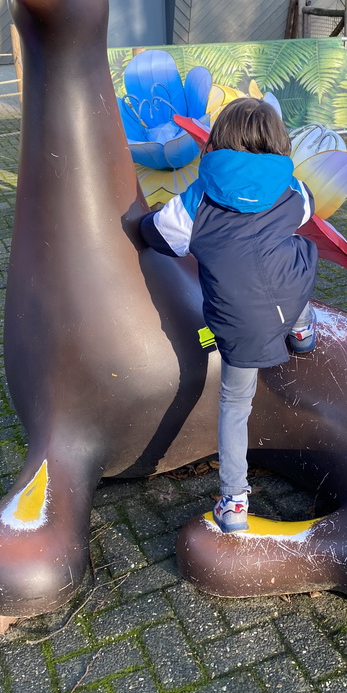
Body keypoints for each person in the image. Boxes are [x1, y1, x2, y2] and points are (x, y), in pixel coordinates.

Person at [139, 97, 318, 532]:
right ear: (278, 140)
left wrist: (141, 225)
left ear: (219, 139)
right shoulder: (294, 187)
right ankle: (301, 330)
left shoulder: (198, 195)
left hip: (236, 319)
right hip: (289, 294)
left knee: (236, 403)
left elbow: (165, 236)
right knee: (296, 259)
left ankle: (234, 503)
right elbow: (306, 216)